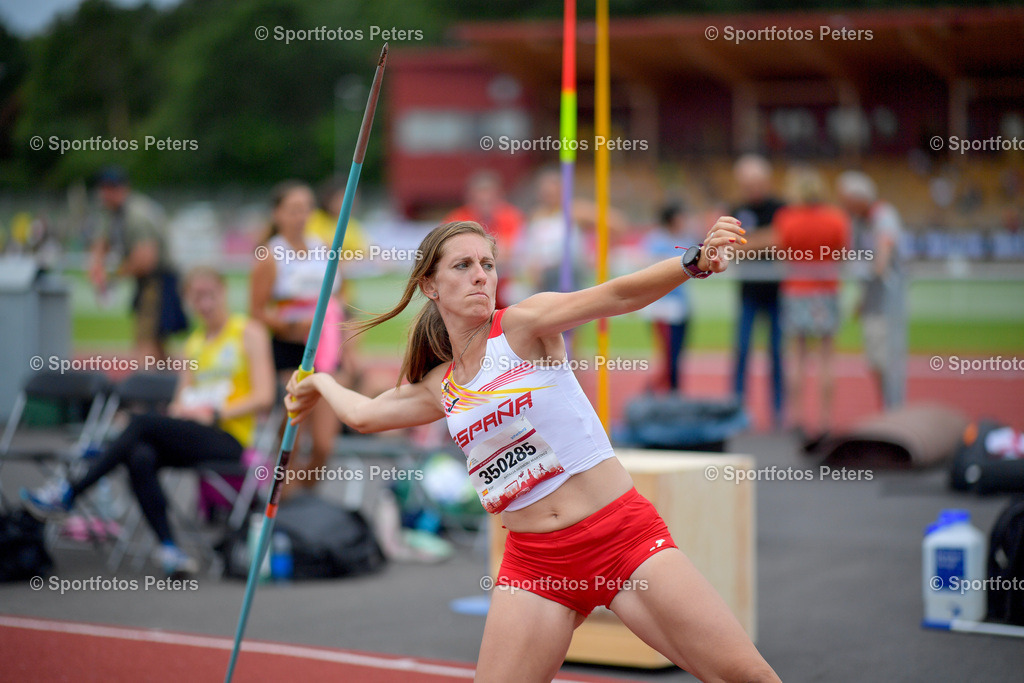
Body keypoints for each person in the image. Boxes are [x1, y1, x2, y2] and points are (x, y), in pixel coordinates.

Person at [284, 220, 780, 682]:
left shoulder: (521, 327)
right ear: (430, 285)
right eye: (463, 265)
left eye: (487, 264)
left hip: (620, 539)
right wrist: (319, 382)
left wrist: (693, 261)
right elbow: (365, 415)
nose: (481, 275)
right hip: (535, 565)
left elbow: (617, 295)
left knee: (747, 678)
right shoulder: (442, 385)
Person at [22, 267, 276, 574]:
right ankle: (170, 548)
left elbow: (265, 395)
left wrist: (216, 413)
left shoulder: (248, 332)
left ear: (223, 292)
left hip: (229, 437)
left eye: (210, 294)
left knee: (140, 425)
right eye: (197, 297)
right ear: (188, 301)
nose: (205, 303)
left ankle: (70, 491)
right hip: (192, 433)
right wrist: (183, 411)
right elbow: (180, 400)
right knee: (139, 454)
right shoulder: (194, 344)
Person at [743, 167, 850, 442]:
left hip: (797, 289)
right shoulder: (835, 218)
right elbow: (842, 252)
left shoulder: (787, 218)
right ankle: (825, 421)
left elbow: (781, 249)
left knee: (798, 356)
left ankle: (798, 418)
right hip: (826, 289)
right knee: (826, 357)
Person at [250, 180, 342, 496]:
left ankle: (305, 496)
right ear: (277, 214)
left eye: (306, 208)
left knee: (325, 444)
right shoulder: (271, 255)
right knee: (292, 437)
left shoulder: (323, 248)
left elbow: (339, 299)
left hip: (326, 350)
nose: (301, 216)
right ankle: (284, 499)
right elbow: (256, 311)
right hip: (289, 350)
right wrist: (290, 326)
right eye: (293, 209)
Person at [87, 166, 187, 359]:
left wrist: (112, 276)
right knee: (156, 341)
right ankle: (163, 376)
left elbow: (146, 260)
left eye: (112, 188)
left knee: (145, 340)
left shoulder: (136, 215)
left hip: (158, 281)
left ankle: (146, 376)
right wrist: (96, 267)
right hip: (149, 281)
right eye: (104, 188)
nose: (106, 194)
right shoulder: (113, 213)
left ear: (124, 189)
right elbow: (101, 243)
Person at [837, 170, 906, 410]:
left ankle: (894, 410)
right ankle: (887, 408)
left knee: (888, 359)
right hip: (873, 300)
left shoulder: (883, 216)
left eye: (846, 199)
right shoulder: (858, 222)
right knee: (876, 360)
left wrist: (871, 268)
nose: (843, 205)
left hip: (888, 300)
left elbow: (882, 258)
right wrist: (862, 298)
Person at [730, 155, 786, 429]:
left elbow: (782, 239)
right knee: (741, 351)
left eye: (753, 182)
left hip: (777, 294)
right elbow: (730, 246)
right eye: (745, 183)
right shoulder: (736, 209)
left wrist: (748, 242)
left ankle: (778, 413)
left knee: (777, 353)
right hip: (748, 293)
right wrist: (764, 240)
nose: (750, 188)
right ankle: (737, 411)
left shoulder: (781, 208)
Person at [444, 170, 525, 308]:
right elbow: (449, 253)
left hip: (506, 277)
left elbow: (511, 251)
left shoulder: (511, 217)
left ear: (499, 196)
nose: (485, 203)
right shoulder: (456, 218)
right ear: (470, 198)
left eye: (490, 199)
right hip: (467, 277)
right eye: (480, 199)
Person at [639, 203, 693, 392]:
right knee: (668, 356)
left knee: (676, 355)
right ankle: (654, 392)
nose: (685, 221)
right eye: (681, 216)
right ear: (672, 218)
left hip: (681, 305)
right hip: (663, 307)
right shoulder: (657, 240)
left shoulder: (685, 239)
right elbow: (651, 270)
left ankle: (672, 393)